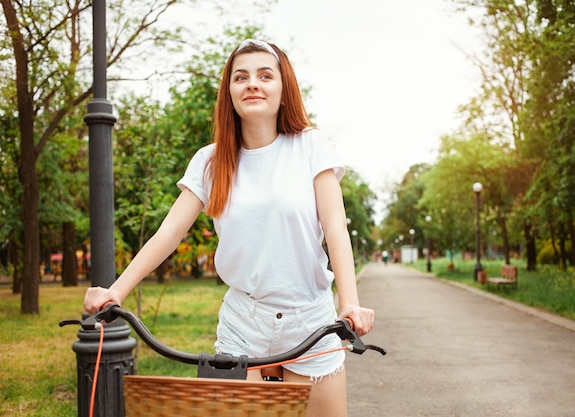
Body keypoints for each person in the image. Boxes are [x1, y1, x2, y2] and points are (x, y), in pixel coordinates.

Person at [83, 39, 375, 417]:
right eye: (241, 77)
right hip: (244, 321)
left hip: (310, 319)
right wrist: (116, 290)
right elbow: (169, 234)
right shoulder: (210, 161)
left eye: (265, 75)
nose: (252, 84)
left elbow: (336, 228)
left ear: (283, 90)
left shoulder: (310, 146)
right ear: (230, 93)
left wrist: (348, 302)